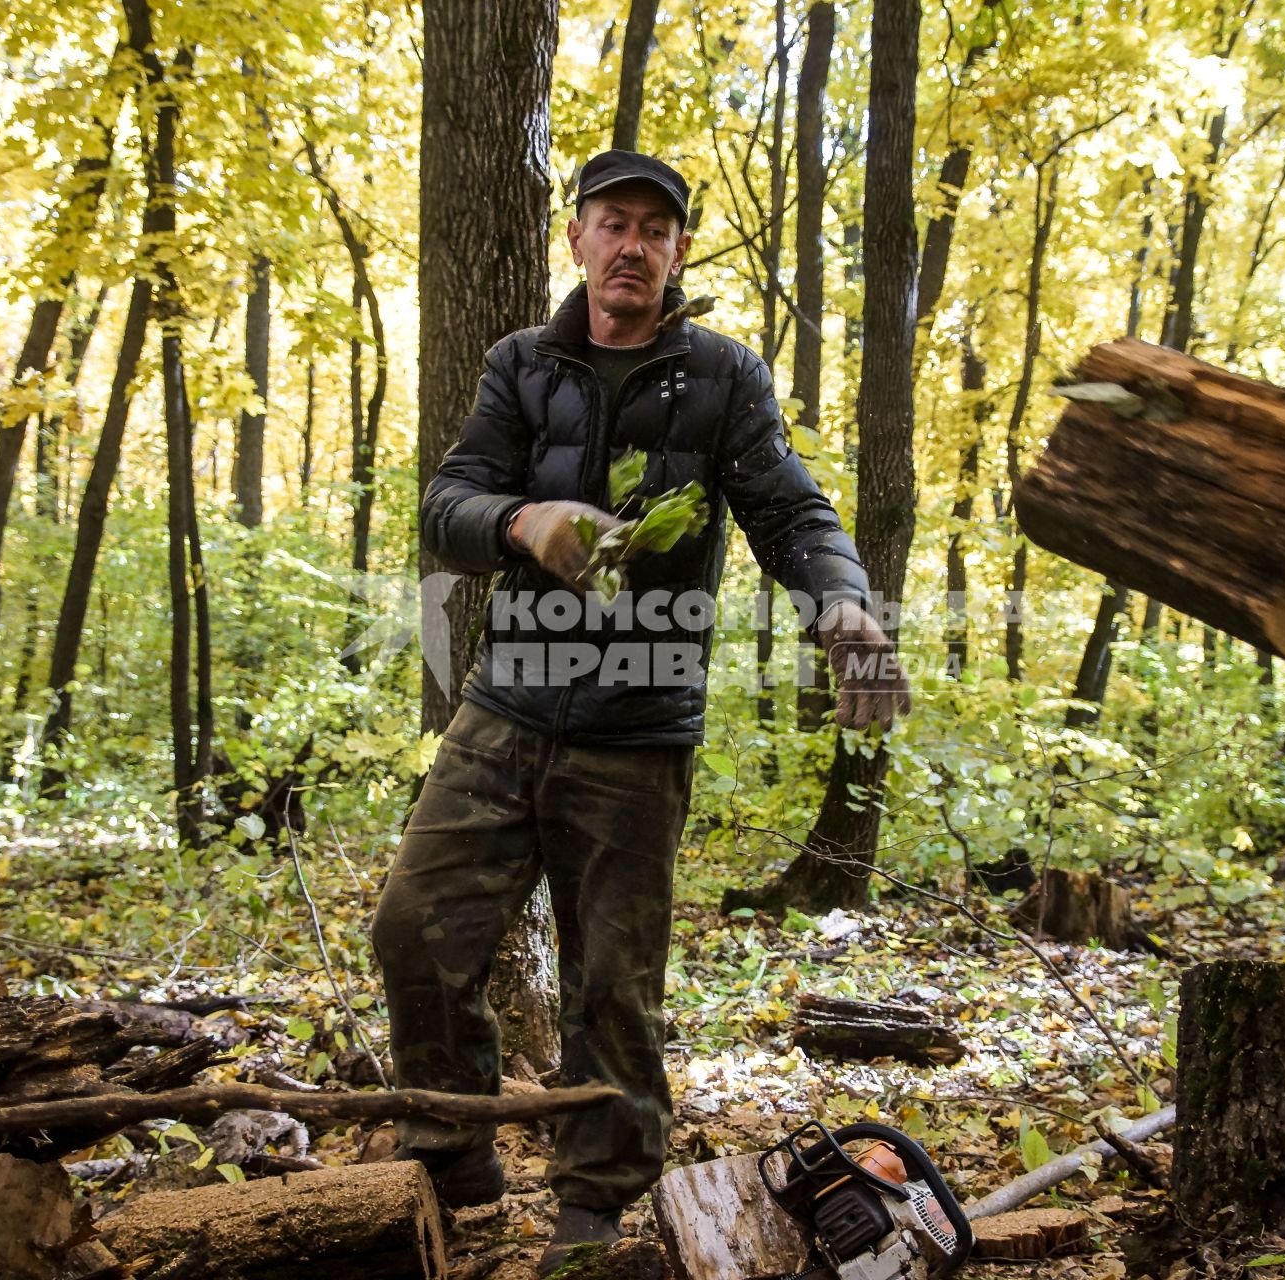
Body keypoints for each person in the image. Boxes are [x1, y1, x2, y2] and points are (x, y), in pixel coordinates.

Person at [373, 149, 910, 1274]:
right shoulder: (522, 365)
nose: (632, 246)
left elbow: (791, 510)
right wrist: (525, 524)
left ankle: (590, 1214)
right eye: (613, 224)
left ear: (675, 254)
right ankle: (454, 1159)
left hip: (636, 730)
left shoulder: (720, 375)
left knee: (614, 986)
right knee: (414, 931)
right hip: (503, 708)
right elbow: (445, 503)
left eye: (655, 231)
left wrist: (847, 611)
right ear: (577, 239)